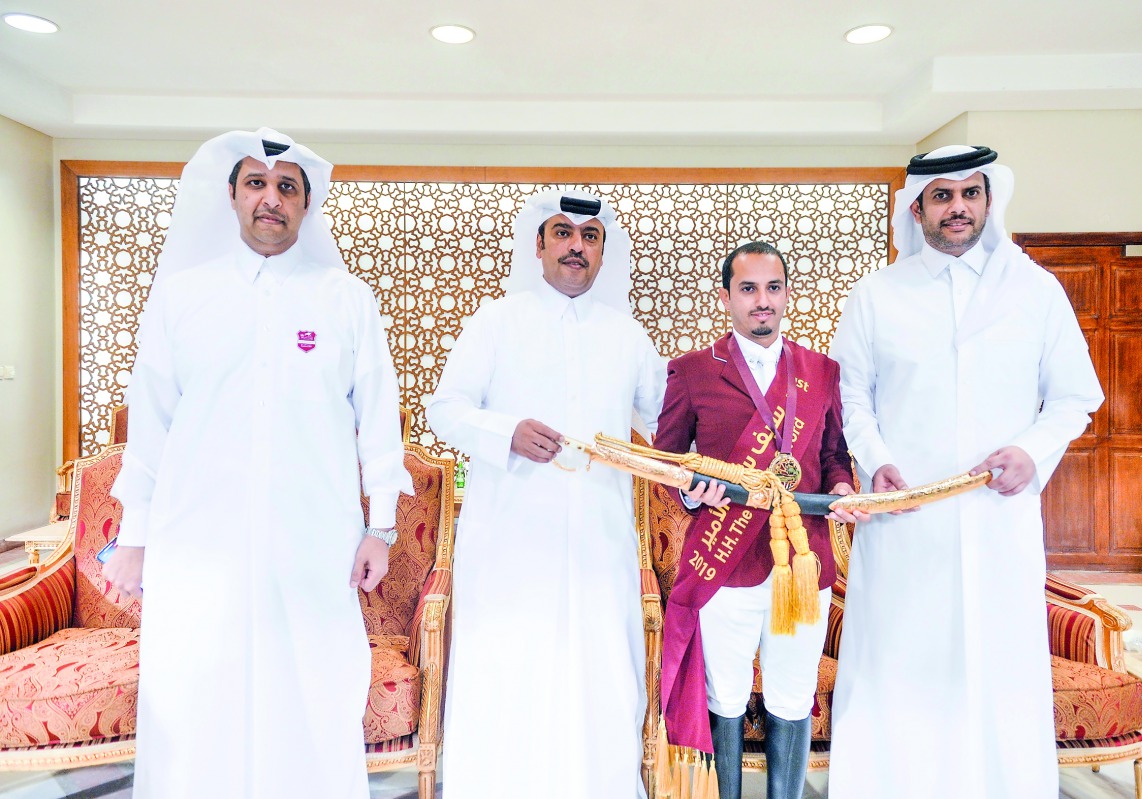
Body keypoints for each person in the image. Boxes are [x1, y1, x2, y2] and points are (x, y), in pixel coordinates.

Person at [102, 128, 413, 799]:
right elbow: (149, 422)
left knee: (311, 691)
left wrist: (380, 527)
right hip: (197, 540)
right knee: (197, 693)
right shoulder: (183, 297)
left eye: (286, 187)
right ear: (233, 196)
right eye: (256, 184)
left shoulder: (345, 298)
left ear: (306, 204)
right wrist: (134, 536)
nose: (271, 198)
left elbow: (379, 419)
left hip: (313, 540)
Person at [828, 145, 1104, 798]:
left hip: (997, 520)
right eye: (943, 195)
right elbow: (850, 398)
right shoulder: (876, 295)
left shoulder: (1034, 290)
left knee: (996, 668)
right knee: (899, 666)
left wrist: (1032, 451)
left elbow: (1075, 396)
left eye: (970, 194)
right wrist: (878, 460)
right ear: (917, 206)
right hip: (905, 526)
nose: (958, 207)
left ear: (988, 200)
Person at [426, 190, 666, 798]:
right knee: (512, 668)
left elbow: (670, 420)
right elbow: (445, 411)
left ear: (604, 253)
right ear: (538, 247)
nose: (575, 248)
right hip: (512, 537)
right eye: (562, 234)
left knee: (600, 672)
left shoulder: (627, 335)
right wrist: (506, 431)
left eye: (589, 239)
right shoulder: (496, 322)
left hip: (598, 539)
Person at [654, 241, 866, 799]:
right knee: (724, 695)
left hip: (802, 564)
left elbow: (834, 454)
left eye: (773, 288)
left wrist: (842, 485)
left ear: (787, 293)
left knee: (793, 696)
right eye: (748, 289)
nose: (762, 301)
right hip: (725, 565)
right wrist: (693, 495)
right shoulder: (693, 370)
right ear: (726, 297)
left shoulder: (822, 372)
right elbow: (667, 460)